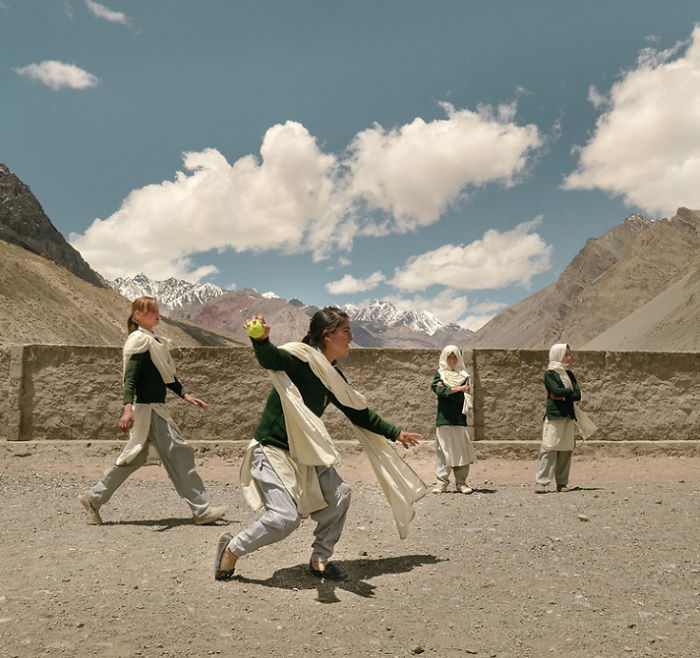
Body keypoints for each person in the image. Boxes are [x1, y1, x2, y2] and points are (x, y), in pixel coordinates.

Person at [215, 306, 424, 582]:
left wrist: (395, 432)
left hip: (304, 453)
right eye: (346, 331)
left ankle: (320, 559)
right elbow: (270, 358)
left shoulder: (330, 375)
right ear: (328, 335)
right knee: (284, 519)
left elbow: (358, 412)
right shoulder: (298, 360)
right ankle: (231, 548)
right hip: (272, 450)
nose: (351, 337)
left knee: (340, 495)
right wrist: (260, 339)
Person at [78, 296, 227, 525]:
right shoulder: (139, 342)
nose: (157, 313)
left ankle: (93, 498)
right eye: (152, 310)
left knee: (133, 460)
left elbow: (167, 377)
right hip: (150, 412)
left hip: (154, 410)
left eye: (157, 309)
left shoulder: (153, 342)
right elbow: (129, 381)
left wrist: (186, 394)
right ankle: (201, 510)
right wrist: (127, 410)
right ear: (138, 315)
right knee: (181, 453)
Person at [534, 343, 581, 494]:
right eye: (566, 354)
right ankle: (541, 482)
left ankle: (561, 483)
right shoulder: (550, 374)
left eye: (569, 354)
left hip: (568, 416)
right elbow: (554, 391)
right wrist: (567, 393)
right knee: (549, 448)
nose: (569, 357)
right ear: (558, 355)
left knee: (566, 449)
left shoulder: (569, 374)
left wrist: (562, 396)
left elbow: (578, 394)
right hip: (555, 416)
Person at [430, 345, 476, 494]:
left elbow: (459, 395)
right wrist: (458, 389)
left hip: (458, 419)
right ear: (444, 358)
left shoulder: (464, 376)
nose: (452, 360)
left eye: (454, 357)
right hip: (444, 419)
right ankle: (441, 483)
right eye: (449, 357)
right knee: (443, 452)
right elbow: (438, 390)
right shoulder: (440, 374)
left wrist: (450, 390)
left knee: (461, 450)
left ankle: (461, 483)